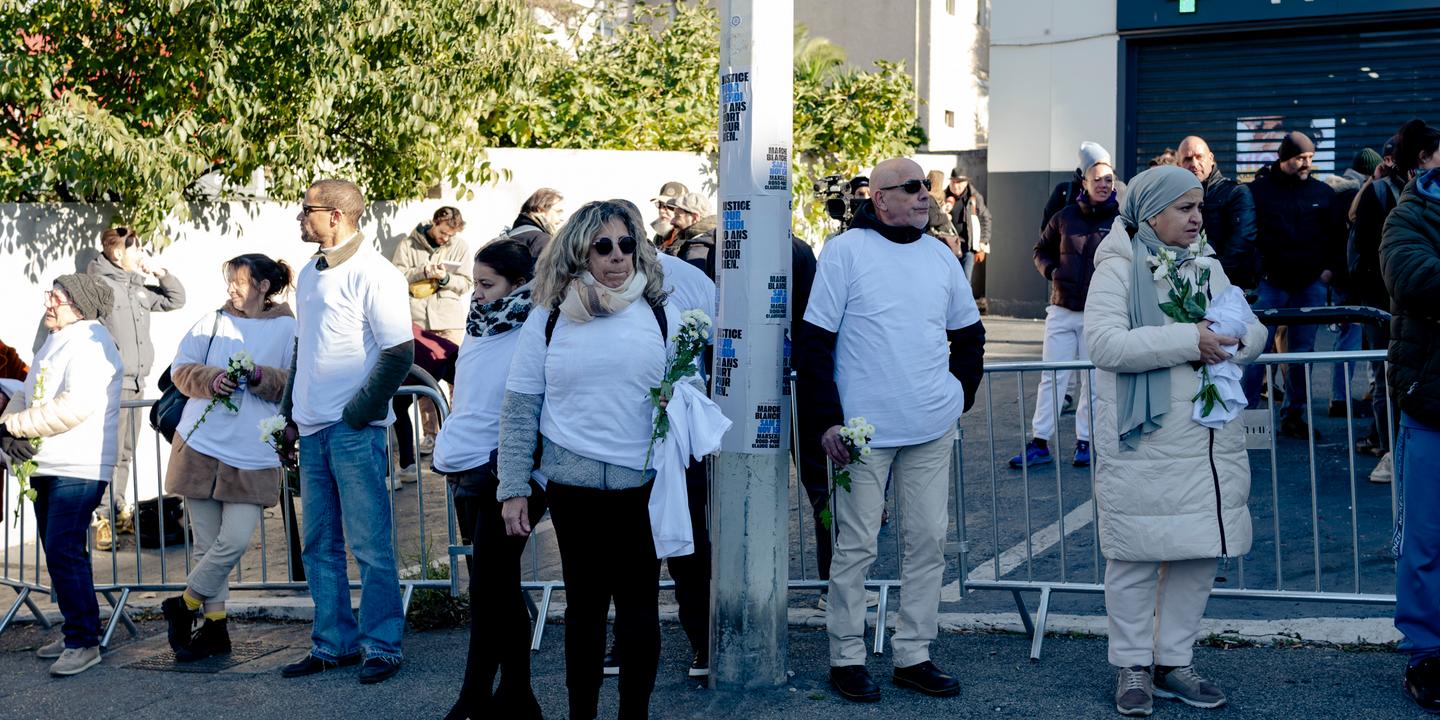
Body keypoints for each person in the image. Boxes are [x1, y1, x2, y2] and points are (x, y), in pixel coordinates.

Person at [1083, 166, 1268, 717]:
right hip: (1146, 440)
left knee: (1197, 555)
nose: (1197, 218)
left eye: (1199, 207)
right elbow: (1105, 344)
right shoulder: (1117, 267)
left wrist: (1236, 338)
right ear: (1151, 213)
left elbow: (1254, 327)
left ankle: (1174, 662)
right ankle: (1132, 665)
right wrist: (1193, 339)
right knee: (1136, 557)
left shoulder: (1207, 263)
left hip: (1207, 439)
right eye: (1184, 208)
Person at [800, 157, 985, 704]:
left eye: (925, 185)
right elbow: (815, 342)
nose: (925, 194)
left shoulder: (940, 255)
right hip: (861, 435)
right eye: (911, 187)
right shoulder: (845, 252)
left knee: (928, 542)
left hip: (930, 427)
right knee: (855, 547)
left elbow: (969, 336)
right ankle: (846, 657)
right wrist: (827, 421)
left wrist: (959, 396)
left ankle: (914, 654)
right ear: (879, 199)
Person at [497, 200, 677, 720]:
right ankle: (581, 715)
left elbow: (687, 390)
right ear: (580, 252)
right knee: (585, 612)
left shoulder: (658, 313)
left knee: (640, 611)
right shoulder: (550, 316)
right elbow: (521, 404)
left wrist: (680, 396)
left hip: (641, 485)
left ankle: (634, 715)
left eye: (626, 244)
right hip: (572, 489)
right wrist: (513, 487)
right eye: (603, 246)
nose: (617, 256)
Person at [277, 179, 415, 684]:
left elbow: (399, 353)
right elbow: (302, 348)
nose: (299, 217)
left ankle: (382, 645)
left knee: (370, 547)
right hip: (313, 430)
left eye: (306, 209)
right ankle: (333, 643)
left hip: (353, 431)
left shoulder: (376, 272)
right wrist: (291, 414)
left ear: (335, 215)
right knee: (318, 546)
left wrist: (356, 414)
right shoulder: (310, 273)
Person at [159, 255, 296, 662]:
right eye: (230, 281)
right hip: (200, 445)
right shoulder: (211, 321)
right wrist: (211, 379)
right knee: (205, 545)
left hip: (253, 452)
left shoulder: (289, 328)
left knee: (234, 540)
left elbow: (293, 382)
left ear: (263, 286)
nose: (231, 288)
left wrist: (259, 376)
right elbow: (181, 370)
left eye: (240, 281)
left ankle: (183, 604)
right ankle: (215, 628)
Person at [433, 240, 543, 720]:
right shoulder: (479, 323)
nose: (476, 293)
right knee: (498, 587)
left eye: (487, 284)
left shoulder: (537, 326)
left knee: (487, 588)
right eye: (475, 283)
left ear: (518, 285)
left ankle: (474, 698)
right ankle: (517, 696)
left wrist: (517, 470)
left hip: (512, 469)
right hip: (469, 468)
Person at [1, 274, 123, 676]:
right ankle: (77, 629)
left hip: (79, 465)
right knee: (61, 553)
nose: (48, 304)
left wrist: (14, 427)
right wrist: (7, 429)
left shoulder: (92, 341)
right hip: (49, 462)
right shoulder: (55, 339)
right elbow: (26, 391)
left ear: (80, 306)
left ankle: (84, 642)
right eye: (49, 296)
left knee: (63, 550)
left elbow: (74, 406)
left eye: (57, 298)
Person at [1379, 145, 1440, 715]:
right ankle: (1427, 652)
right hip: (1432, 401)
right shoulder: (1411, 212)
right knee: (1426, 539)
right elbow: (1414, 279)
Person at [1011, 153, 1119, 469]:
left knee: (1093, 382)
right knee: (1052, 377)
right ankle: (1040, 443)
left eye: (1109, 179)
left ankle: (1085, 442)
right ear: (1084, 182)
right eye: (1097, 179)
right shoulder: (1064, 217)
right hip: (1061, 309)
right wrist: (1052, 271)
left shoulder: (1121, 221)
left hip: (1098, 313)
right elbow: (1040, 250)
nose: (1103, 184)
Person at [87, 225, 186, 551]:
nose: (142, 254)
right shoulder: (99, 286)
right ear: (118, 253)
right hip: (112, 384)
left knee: (126, 452)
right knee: (109, 453)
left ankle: (118, 511)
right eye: (136, 249)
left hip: (138, 382)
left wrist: (158, 272)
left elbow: (176, 299)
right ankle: (101, 518)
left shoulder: (136, 286)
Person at [1242, 130, 1346, 440]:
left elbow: (1336, 236)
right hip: (1270, 284)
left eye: (1310, 158)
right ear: (1283, 158)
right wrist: (1256, 272)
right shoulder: (1259, 192)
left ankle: (1294, 415)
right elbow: (1247, 235)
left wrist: (1328, 271)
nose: (1306, 163)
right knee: (1256, 351)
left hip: (1308, 285)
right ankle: (1248, 422)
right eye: (1300, 158)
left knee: (1302, 353)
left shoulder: (1322, 193)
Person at [1361, 120, 1440, 485]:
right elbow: (1412, 278)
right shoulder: (1405, 214)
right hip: (1427, 386)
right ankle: (1387, 450)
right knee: (1427, 510)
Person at [392, 206, 474, 458]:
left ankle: (460, 432)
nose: (445, 238)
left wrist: (446, 278)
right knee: (424, 383)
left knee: (459, 378)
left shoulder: (460, 246)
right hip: (418, 320)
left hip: (449, 320)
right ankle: (431, 436)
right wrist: (424, 271)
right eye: (443, 233)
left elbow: (467, 282)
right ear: (434, 222)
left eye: (450, 235)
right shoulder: (408, 245)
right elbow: (395, 277)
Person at [1175, 136, 1257, 290]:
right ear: (1179, 164)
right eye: (1187, 159)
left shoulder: (1235, 192)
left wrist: (1214, 276)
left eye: (1199, 157)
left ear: (1211, 158)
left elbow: (1242, 242)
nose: (1194, 164)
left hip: (1230, 285)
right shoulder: (1174, 198)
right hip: (1189, 286)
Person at [946, 169, 992, 283]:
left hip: (968, 247)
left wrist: (983, 241)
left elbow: (985, 218)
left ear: (966, 182)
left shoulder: (974, 197)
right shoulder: (944, 196)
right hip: (949, 247)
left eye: (959, 182)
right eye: (953, 182)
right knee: (949, 281)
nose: (955, 185)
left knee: (965, 282)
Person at [667, 192, 717, 276]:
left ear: (695, 217)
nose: (672, 221)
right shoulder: (701, 245)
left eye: (677, 216)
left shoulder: (696, 252)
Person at [508, 188, 566, 258]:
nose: (561, 219)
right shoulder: (541, 240)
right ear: (539, 210)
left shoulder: (512, 234)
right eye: (558, 212)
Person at [650, 181, 689, 247]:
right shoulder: (659, 237)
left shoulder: (691, 238)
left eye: (669, 205)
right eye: (660, 204)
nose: (661, 210)